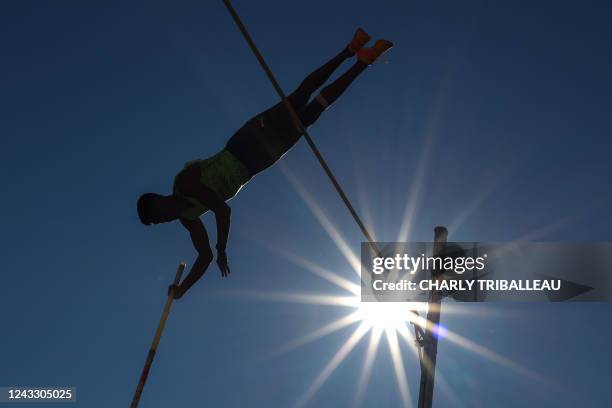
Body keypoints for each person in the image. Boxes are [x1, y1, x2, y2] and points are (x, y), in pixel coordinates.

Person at [137, 28, 392, 299]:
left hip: (244, 143)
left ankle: (350, 50)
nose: (162, 219)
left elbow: (222, 211)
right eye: (158, 222)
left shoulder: (183, 183)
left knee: (300, 96)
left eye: (157, 213)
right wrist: (183, 288)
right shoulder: (188, 220)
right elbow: (203, 256)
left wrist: (222, 248)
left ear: (159, 200)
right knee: (311, 114)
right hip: (256, 164)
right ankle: (364, 62)